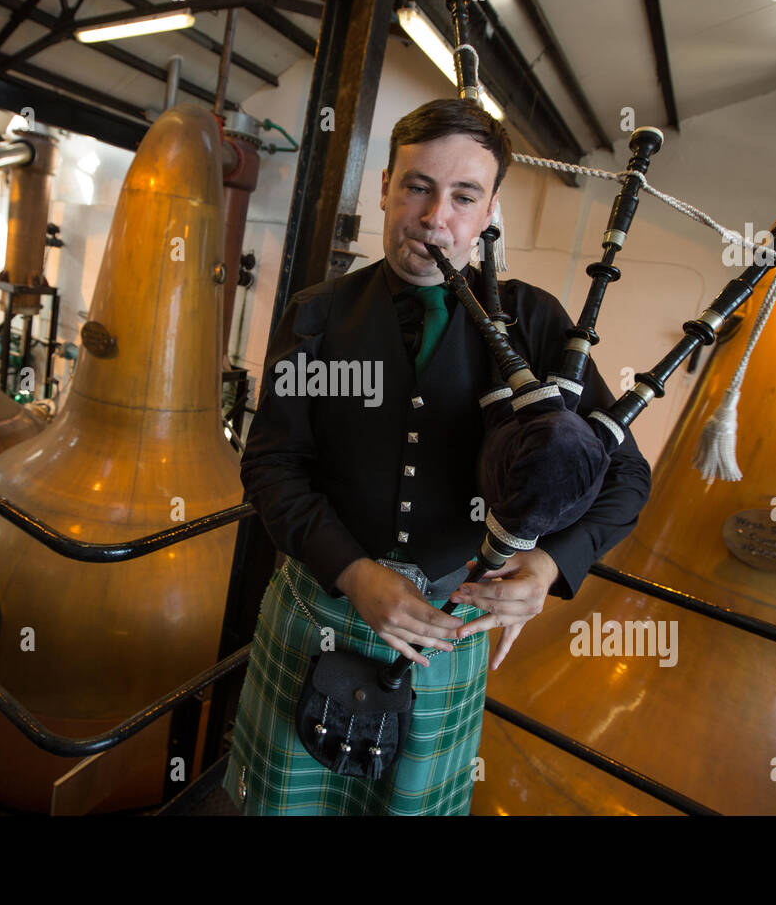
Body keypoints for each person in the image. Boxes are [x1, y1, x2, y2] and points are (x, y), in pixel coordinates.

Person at [222, 98, 651, 815]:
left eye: (463, 195)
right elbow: (271, 464)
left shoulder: (537, 322)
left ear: (489, 212)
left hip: (448, 640)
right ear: (386, 184)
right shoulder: (318, 314)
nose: (433, 217)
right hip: (317, 610)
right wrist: (353, 573)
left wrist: (551, 565)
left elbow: (627, 473)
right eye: (417, 186)